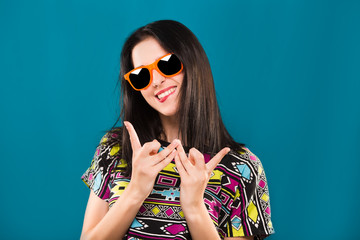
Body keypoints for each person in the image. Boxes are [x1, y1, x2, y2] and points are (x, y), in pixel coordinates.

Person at [80, 20, 274, 240]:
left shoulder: (244, 169)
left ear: (193, 62)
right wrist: (135, 192)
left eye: (167, 65)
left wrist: (194, 207)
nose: (156, 81)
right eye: (142, 76)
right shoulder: (115, 148)